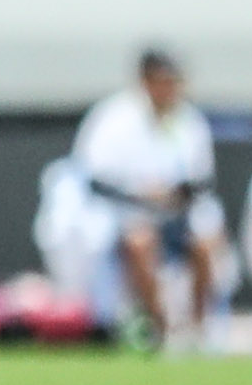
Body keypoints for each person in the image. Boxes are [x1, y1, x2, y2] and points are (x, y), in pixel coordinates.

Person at [72, 49, 225, 347]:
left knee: (206, 243)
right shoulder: (113, 118)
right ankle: (163, 331)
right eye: (162, 82)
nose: (170, 90)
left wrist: (174, 194)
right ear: (144, 82)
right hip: (123, 216)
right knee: (141, 241)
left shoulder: (189, 121)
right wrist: (142, 195)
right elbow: (95, 180)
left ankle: (196, 331)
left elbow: (202, 181)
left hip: (176, 217)